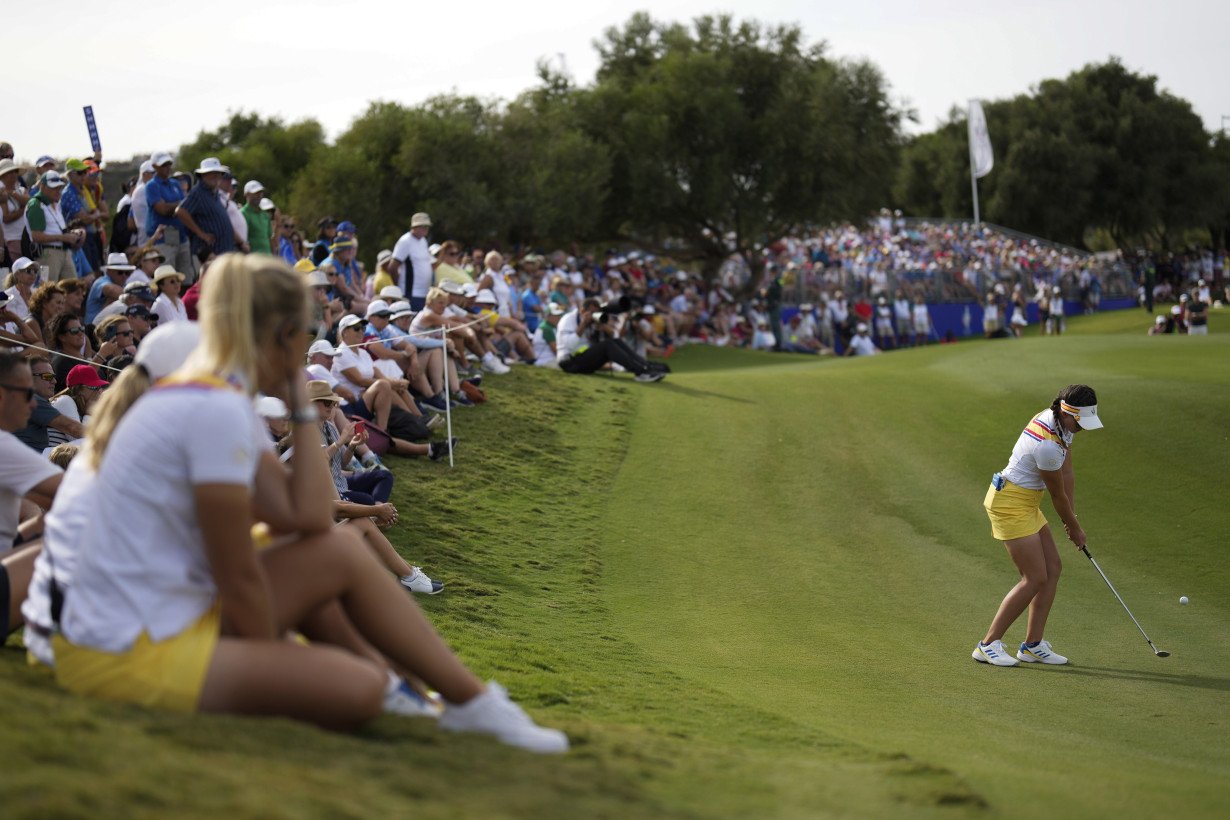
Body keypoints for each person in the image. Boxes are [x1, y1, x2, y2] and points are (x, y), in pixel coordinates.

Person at [52, 253, 566, 750]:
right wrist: (276, 654)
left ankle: (463, 701)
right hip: (127, 645)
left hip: (156, 613)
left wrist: (302, 409)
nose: (307, 348)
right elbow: (238, 574)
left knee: (334, 551)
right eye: (304, 335)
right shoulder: (212, 408)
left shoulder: (222, 398)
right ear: (281, 335)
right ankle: (435, 696)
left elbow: (309, 516)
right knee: (361, 688)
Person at [974, 385, 1103, 667]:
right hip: (1009, 504)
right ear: (1067, 412)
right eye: (1080, 422)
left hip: (1026, 501)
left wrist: (1074, 520)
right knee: (1034, 577)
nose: (1081, 429)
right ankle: (987, 644)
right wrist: (1074, 528)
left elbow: (1067, 473)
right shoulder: (1048, 445)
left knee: (1053, 569)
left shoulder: (1060, 423)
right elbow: (1057, 495)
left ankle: (1032, 645)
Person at [0, 352, 63, 638]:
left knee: (50, 521)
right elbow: (80, 494)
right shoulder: (5, 447)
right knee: (71, 537)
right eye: (27, 393)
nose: (34, 403)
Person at [557, 298, 665, 382]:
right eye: (591, 312)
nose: (593, 315)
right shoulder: (568, 319)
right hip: (569, 362)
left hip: (584, 361)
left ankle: (646, 367)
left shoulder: (592, 322)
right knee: (607, 345)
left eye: (596, 312)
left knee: (614, 342)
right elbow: (569, 345)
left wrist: (603, 328)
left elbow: (615, 337)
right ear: (582, 311)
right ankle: (641, 373)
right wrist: (583, 324)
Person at [392, 212, 434, 310]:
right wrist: (399, 287)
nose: (425, 229)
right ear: (414, 227)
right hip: (411, 293)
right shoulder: (405, 241)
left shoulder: (423, 240)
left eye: (427, 226)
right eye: (422, 226)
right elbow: (393, 267)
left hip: (424, 293)